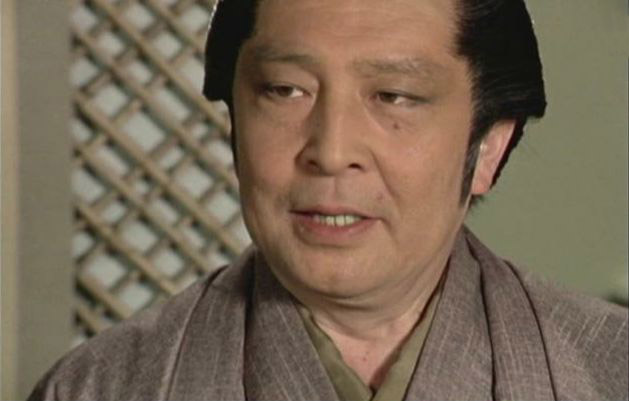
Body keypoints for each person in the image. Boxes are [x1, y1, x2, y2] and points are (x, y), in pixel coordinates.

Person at [29, 0, 628, 400]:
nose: (332, 150)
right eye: (284, 90)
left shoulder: (609, 371)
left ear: (488, 148)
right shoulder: (98, 388)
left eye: (393, 96)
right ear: (234, 118)